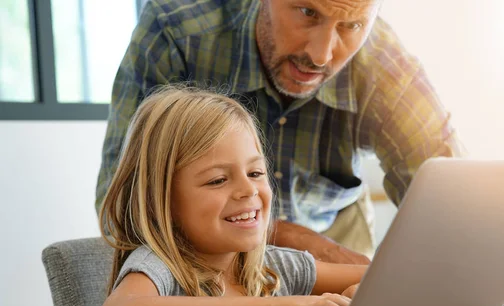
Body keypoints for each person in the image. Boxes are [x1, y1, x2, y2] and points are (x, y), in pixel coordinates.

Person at [96, 0, 462, 265]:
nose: (321, 56)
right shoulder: (176, 32)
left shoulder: (387, 68)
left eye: (350, 26)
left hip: (335, 239)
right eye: (308, 13)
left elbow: (452, 206)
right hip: (202, 259)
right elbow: (124, 207)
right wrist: (287, 237)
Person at [98, 86, 367, 306]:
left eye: (255, 173)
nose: (249, 190)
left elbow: (387, 279)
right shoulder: (161, 268)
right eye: (218, 180)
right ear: (160, 200)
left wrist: (366, 295)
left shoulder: (274, 267)